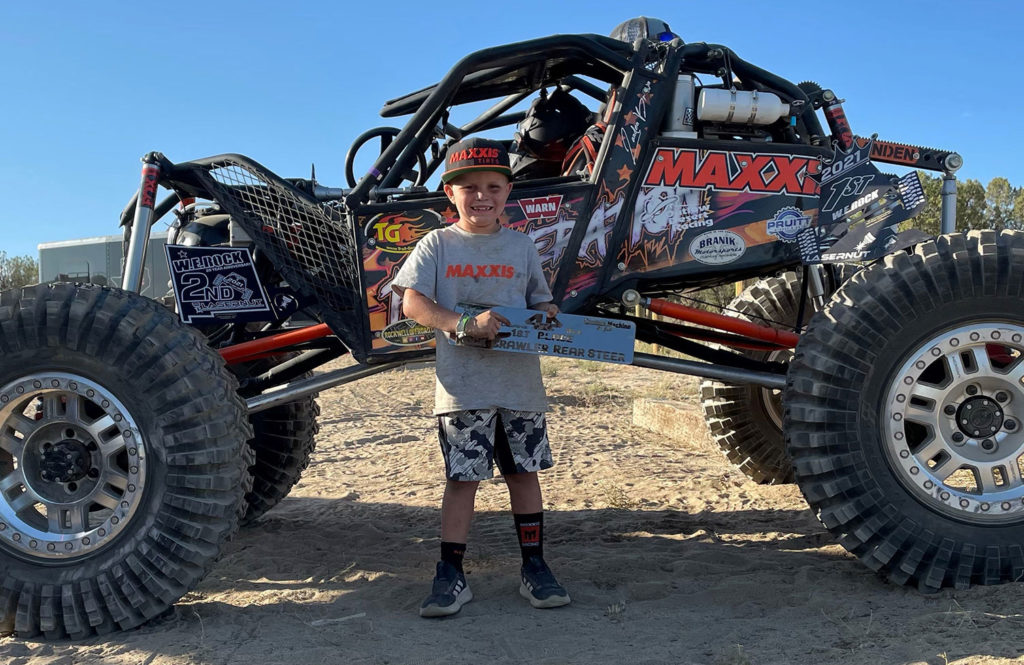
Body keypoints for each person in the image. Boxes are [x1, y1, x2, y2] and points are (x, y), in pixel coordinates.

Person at [392, 137, 570, 618]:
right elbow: (412, 303)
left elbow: (539, 300)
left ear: (508, 191)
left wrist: (547, 311)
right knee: (462, 480)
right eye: (469, 187)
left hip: (519, 386)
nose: (481, 195)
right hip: (463, 387)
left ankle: (534, 567)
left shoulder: (521, 245)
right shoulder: (437, 244)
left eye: (492, 185)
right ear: (450, 194)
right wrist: (463, 325)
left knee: (522, 474)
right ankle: (450, 575)